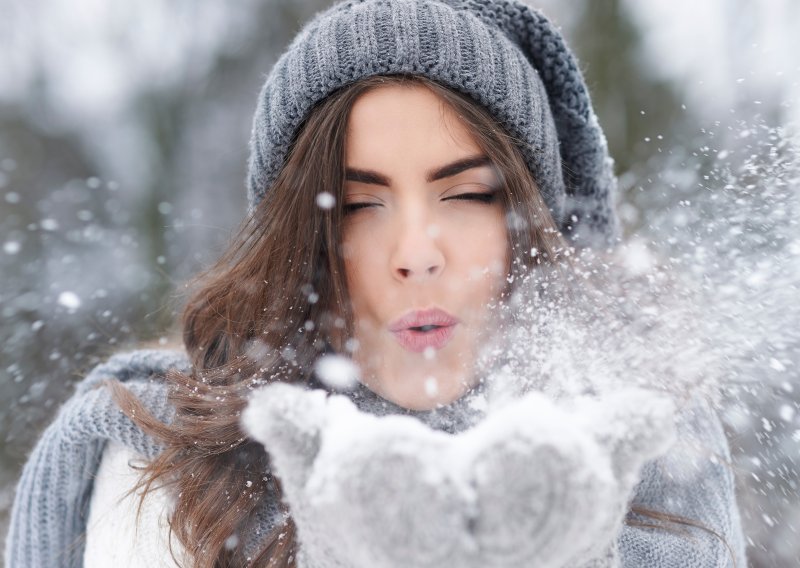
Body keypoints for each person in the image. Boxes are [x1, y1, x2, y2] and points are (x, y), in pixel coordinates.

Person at [4, 1, 747, 567]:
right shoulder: (174, 471)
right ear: (300, 239)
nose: (415, 254)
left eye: (467, 195)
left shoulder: (649, 442)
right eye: (359, 205)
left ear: (529, 222)